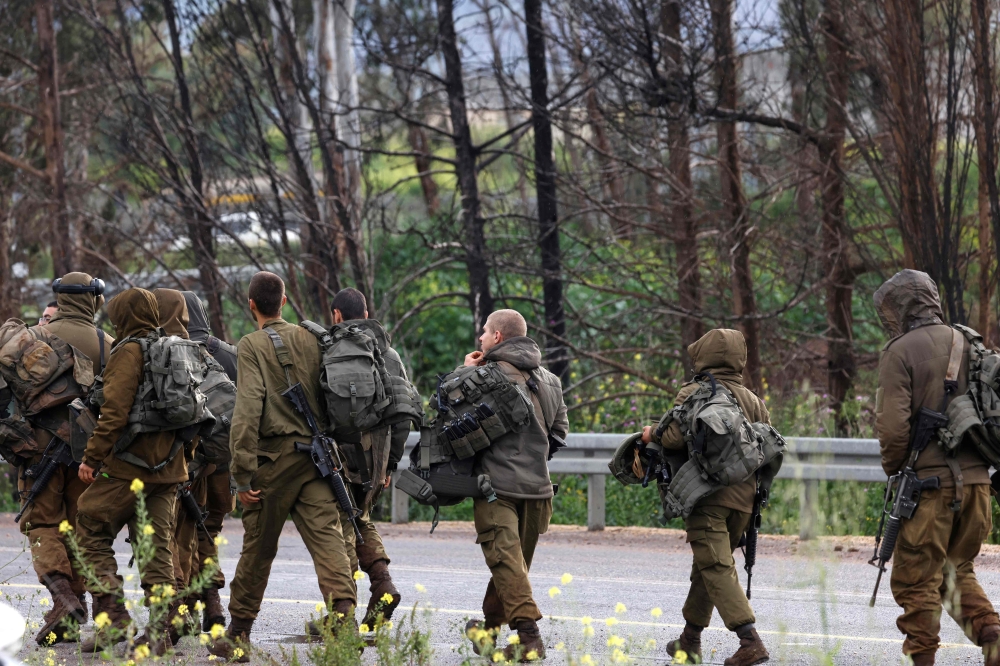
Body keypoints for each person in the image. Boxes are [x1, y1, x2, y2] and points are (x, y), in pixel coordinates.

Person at [208, 272, 357, 662]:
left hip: (273, 463)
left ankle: (237, 634)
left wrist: (241, 474)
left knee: (258, 549)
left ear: (251, 304)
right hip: (317, 459)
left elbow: (247, 409)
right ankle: (344, 622)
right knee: (329, 542)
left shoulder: (251, 345)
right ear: (285, 301)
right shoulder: (313, 337)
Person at [873, 270, 1000, 665]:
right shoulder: (971, 341)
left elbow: (893, 430)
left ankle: (922, 659)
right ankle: (994, 639)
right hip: (979, 488)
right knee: (954, 570)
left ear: (900, 308)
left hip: (930, 490)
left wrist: (897, 470)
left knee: (915, 581)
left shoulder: (900, 351)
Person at [640, 329, 768, 666]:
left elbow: (673, 437)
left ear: (703, 356)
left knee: (715, 566)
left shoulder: (694, 391)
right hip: (744, 500)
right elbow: (765, 448)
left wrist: (651, 433)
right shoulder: (753, 399)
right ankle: (689, 640)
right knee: (707, 567)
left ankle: (749, 640)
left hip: (705, 497)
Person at [75, 288, 187, 656]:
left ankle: (112, 617)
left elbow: (114, 411)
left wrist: (92, 457)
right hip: (170, 468)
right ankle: (159, 632)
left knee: (90, 524)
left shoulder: (129, 351)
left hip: (128, 467)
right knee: (156, 549)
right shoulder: (175, 348)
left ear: (123, 318)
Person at [463, 309, 568, 662]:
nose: (480, 337)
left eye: (485, 332)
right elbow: (559, 434)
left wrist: (465, 373)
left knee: (507, 564)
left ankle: (529, 638)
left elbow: (451, 418)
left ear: (498, 338)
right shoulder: (550, 380)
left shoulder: (482, 376)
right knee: (510, 565)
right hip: (539, 492)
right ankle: (490, 632)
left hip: (498, 490)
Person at [18, 273, 112, 644]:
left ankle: (63, 597)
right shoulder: (108, 343)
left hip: (37, 448)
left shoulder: (31, 335)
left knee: (42, 523)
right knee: (78, 527)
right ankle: (72, 610)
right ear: (94, 300)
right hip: (86, 453)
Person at [329, 287, 402, 625]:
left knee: (342, 525)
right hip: (377, 455)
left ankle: (344, 616)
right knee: (361, 516)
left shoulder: (330, 348)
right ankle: (383, 584)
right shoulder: (389, 354)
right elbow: (402, 413)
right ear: (367, 312)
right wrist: (390, 463)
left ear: (337, 315)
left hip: (341, 455)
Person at [182, 290, 237, 631]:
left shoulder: (169, 354)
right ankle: (204, 605)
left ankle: (204, 603)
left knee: (186, 532)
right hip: (225, 462)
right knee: (210, 528)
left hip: (188, 462)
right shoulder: (230, 354)